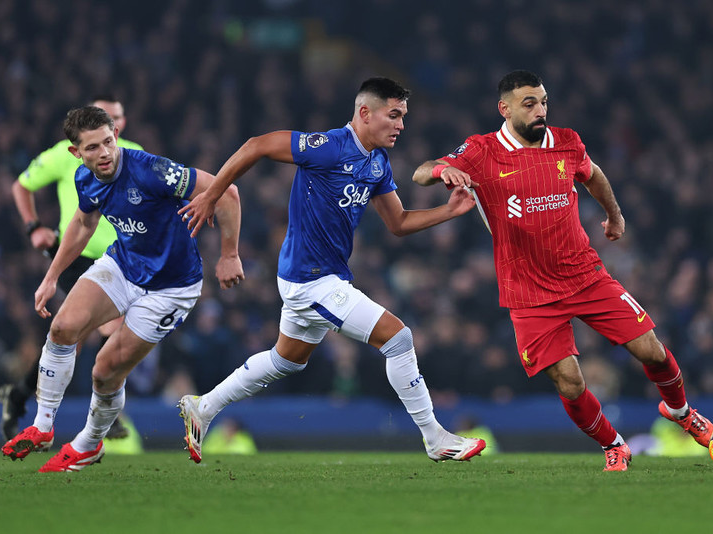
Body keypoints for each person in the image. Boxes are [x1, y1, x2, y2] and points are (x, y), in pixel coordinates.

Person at [411, 70, 713, 471]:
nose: (540, 111)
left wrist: (614, 215)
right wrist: (440, 172)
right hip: (528, 290)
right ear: (504, 108)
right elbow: (421, 170)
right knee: (569, 382)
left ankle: (682, 413)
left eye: (544, 101)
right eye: (529, 103)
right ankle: (613, 443)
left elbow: (594, 175)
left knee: (651, 349)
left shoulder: (567, 141)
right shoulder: (482, 150)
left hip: (585, 274)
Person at [176, 77, 486, 464]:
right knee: (399, 338)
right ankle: (434, 436)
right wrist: (212, 193)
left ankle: (202, 407)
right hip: (311, 278)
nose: (401, 125)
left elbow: (399, 222)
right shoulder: (326, 147)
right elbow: (256, 146)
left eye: (403, 116)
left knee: (285, 360)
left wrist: (448, 211)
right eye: (393, 115)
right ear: (364, 113)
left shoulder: (377, 163)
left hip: (322, 276)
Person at [1, 105, 243, 472]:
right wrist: (51, 277)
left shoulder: (153, 170)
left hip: (172, 286)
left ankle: (88, 443)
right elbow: (83, 223)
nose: (105, 153)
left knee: (105, 369)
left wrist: (229, 254)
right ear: (76, 153)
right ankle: (43, 427)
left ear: (116, 137)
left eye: (108, 142)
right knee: (63, 328)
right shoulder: (86, 179)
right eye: (93, 147)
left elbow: (228, 193)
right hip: (124, 265)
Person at [1, 95, 143, 442]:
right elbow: (22, 185)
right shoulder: (70, 155)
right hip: (75, 256)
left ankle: (19, 395)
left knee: (72, 338)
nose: (114, 122)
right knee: (111, 326)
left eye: (117, 118)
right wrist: (34, 227)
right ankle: (105, 414)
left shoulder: (133, 154)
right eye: (106, 116)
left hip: (122, 259)